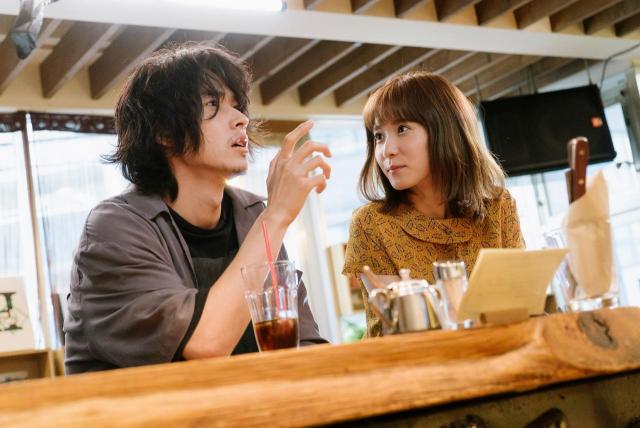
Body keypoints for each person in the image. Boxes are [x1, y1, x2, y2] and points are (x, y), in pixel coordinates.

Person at [64, 42, 331, 374]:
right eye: (213, 104)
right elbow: (205, 344)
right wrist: (276, 216)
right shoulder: (114, 228)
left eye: (238, 106)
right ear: (163, 132)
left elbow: (302, 342)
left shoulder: (251, 214)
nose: (241, 119)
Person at [342, 71, 524, 337]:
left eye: (402, 129)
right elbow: (406, 329)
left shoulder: (499, 206)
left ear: (445, 129)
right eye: (378, 136)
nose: (386, 150)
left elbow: (521, 305)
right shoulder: (371, 223)